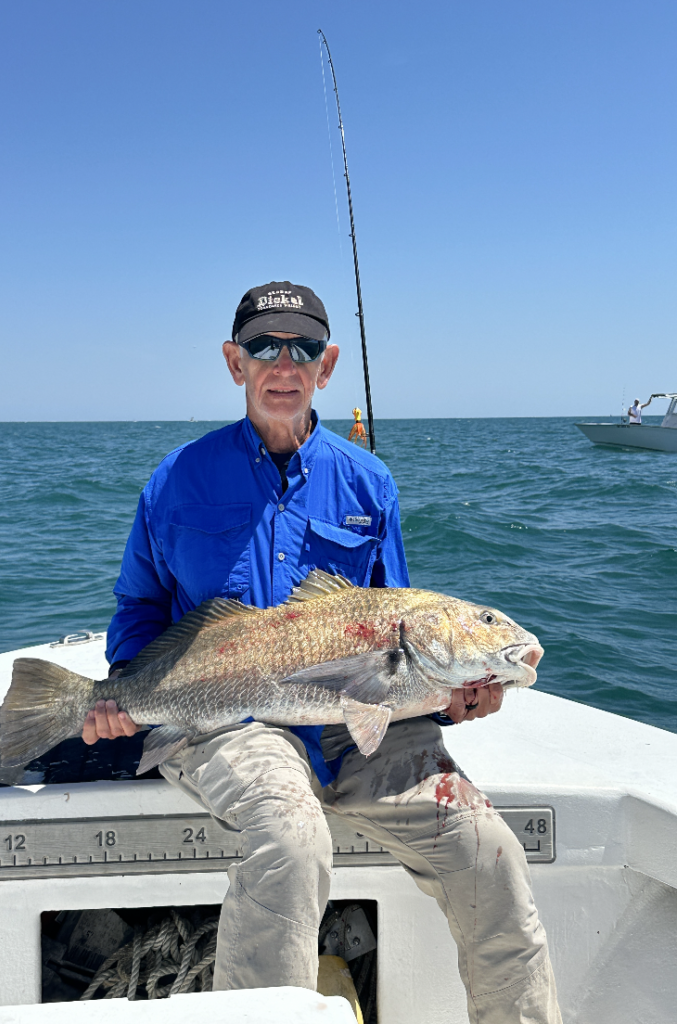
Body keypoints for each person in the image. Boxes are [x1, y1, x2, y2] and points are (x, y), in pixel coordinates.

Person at [83, 281, 562, 1024]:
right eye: (264, 347)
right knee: (289, 836)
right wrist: (125, 690)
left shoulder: (369, 482)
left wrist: (457, 699)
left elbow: (389, 620)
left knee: (490, 852)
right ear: (233, 362)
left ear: (328, 365)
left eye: (303, 348)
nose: (284, 363)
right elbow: (140, 607)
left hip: (363, 722)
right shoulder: (175, 479)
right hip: (229, 718)